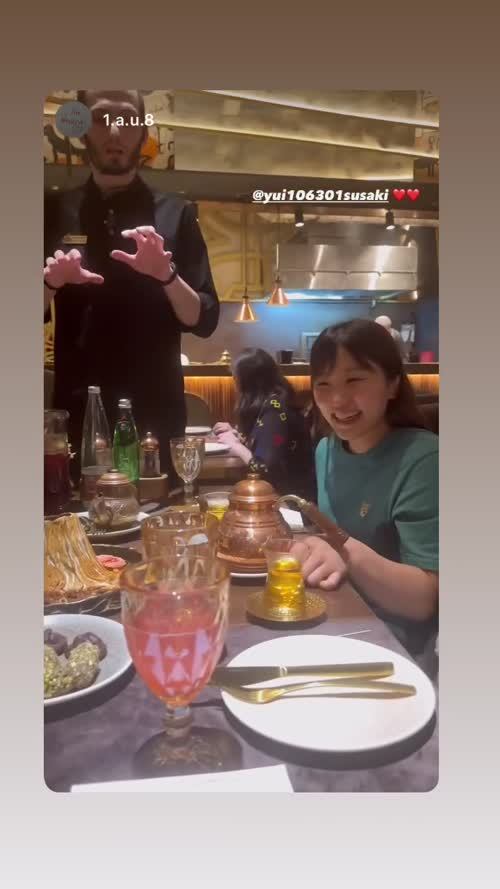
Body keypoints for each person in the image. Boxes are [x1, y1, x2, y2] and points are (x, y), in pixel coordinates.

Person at [44, 90, 219, 481]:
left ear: (143, 133)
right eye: (101, 118)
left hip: (157, 414)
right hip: (80, 414)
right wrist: (50, 283)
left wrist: (166, 275)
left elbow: (204, 319)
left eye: (126, 119)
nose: (114, 132)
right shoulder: (52, 210)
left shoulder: (176, 213)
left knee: (162, 516)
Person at [291, 318, 438, 654]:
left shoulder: (425, 459)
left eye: (354, 380)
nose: (337, 400)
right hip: (341, 612)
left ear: (392, 385)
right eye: (323, 384)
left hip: (397, 641)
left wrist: (342, 550)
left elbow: (425, 600)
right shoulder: (326, 449)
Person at [214, 348, 316, 500]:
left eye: (236, 379)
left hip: (288, 501)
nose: (236, 386)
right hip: (283, 493)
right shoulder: (275, 400)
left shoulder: (274, 409)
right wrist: (239, 436)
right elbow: (270, 445)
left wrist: (235, 445)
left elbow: (263, 469)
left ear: (248, 383)